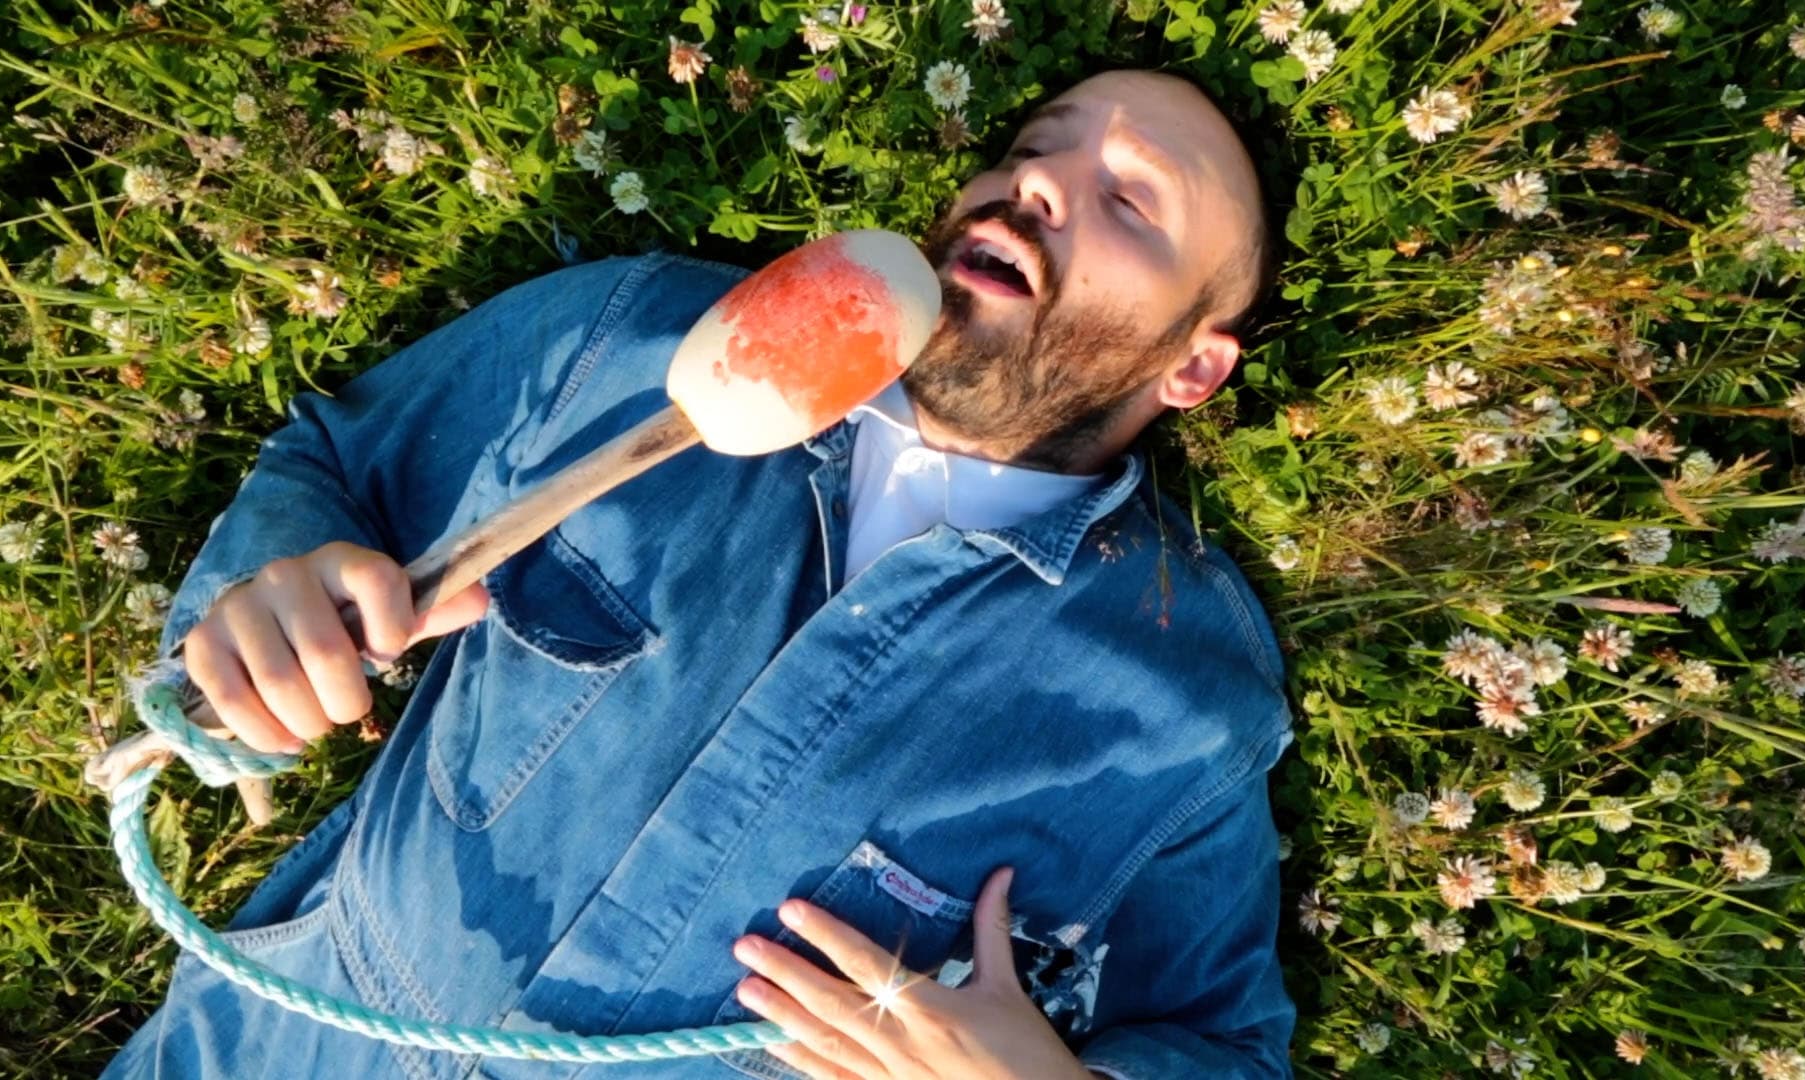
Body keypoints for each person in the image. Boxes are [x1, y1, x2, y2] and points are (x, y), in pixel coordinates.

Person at [102, 66, 1297, 1079]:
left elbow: (1225, 1040)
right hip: (277, 1042)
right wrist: (265, 608)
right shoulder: (630, 342)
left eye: (1131, 201)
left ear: (1192, 367)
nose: (1035, 182)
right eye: (1034, 148)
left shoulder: (1183, 697)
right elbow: (340, 461)